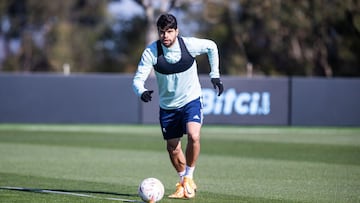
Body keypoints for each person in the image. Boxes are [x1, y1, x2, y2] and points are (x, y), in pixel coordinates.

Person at [132, 13, 223, 199]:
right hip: (168, 106)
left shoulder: (189, 45)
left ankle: (189, 178)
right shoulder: (152, 51)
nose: (166, 36)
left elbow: (212, 46)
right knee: (173, 148)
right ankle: (183, 182)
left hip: (191, 100)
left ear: (177, 31)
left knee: (193, 134)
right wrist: (141, 91)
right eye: (162, 32)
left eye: (169, 31)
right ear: (158, 32)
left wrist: (215, 75)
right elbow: (137, 80)